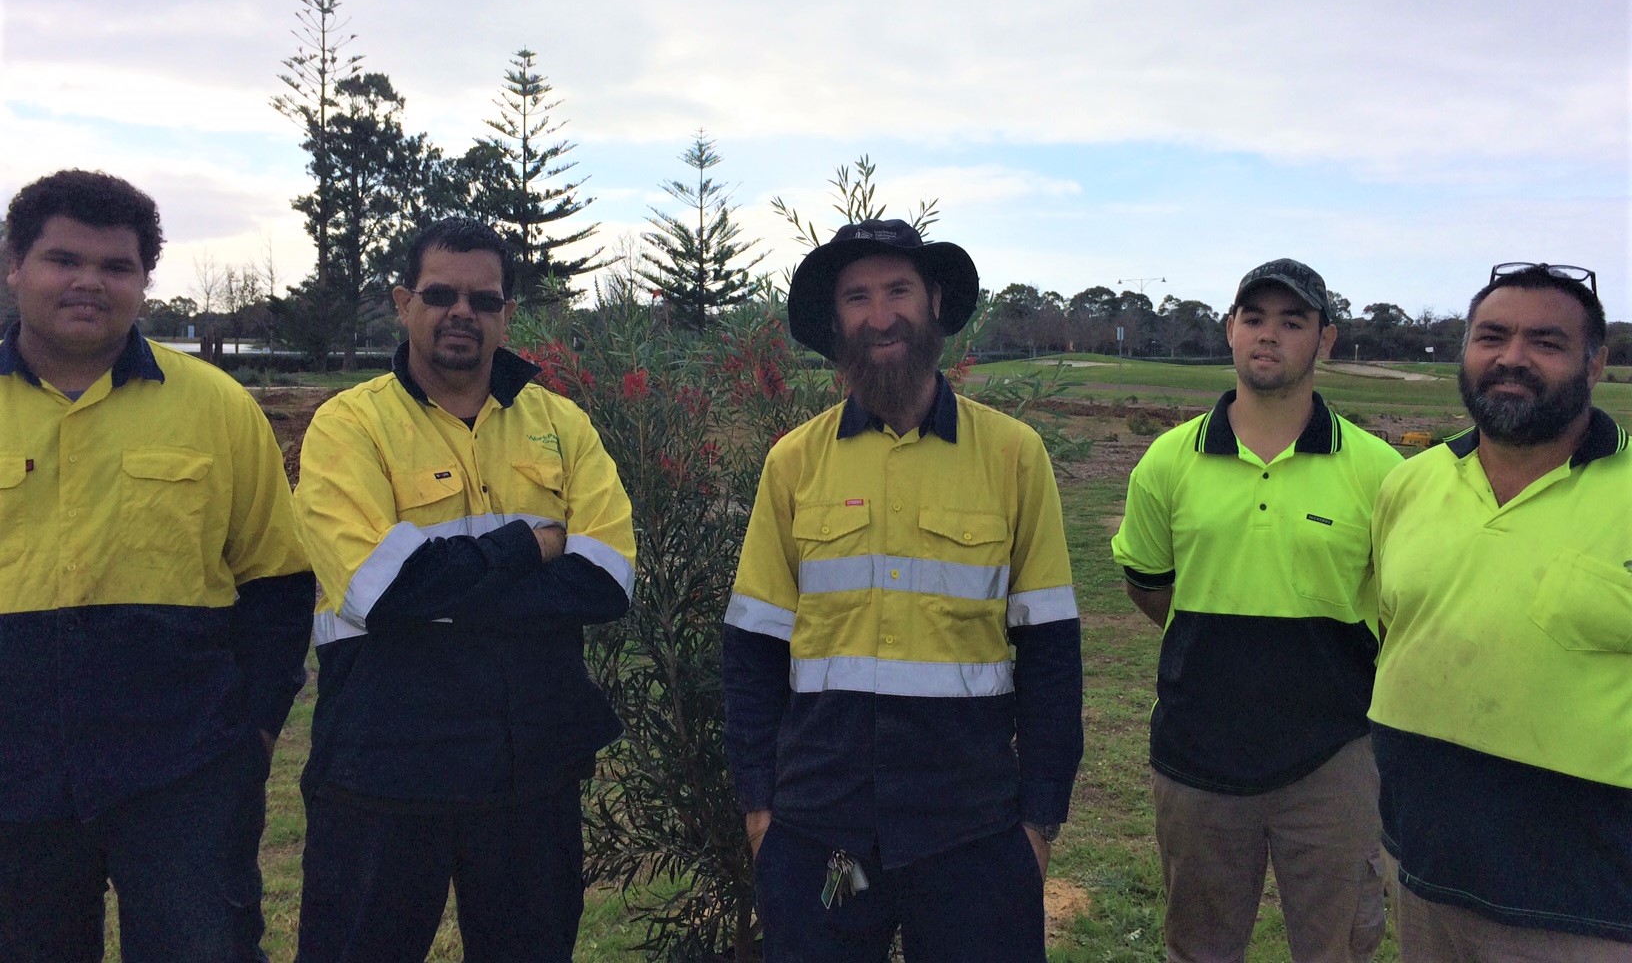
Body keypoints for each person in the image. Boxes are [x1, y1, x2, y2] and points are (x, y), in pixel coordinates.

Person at [723, 218, 1083, 963]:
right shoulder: (793, 464)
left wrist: (1037, 825)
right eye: (858, 297)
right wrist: (762, 810)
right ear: (837, 321)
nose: (880, 315)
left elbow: (1051, 653)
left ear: (934, 303)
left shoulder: (1015, 458)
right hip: (820, 830)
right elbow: (752, 649)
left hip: (973, 830)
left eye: (897, 291)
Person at [293, 217, 637, 963]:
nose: (462, 313)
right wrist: (529, 546)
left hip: (530, 766)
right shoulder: (349, 428)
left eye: (483, 300)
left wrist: (439, 594)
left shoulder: (562, 424)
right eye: (440, 294)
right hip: (385, 762)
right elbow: (378, 592)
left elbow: (606, 580)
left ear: (506, 313)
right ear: (402, 302)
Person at [0, 169, 314, 963]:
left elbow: (278, 583)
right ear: (14, 265)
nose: (88, 283)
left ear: (144, 281)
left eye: (116, 267)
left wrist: (255, 736)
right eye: (63, 259)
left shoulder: (216, 408)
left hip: (185, 773)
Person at [1112, 258, 1402, 963]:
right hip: (1198, 756)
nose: (1269, 336)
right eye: (1254, 318)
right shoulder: (1168, 461)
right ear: (1230, 330)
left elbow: (1397, 610)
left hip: (1335, 758)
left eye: (1293, 322)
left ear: (1325, 341)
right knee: (1199, 948)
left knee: (1336, 949)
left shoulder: (1381, 470)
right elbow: (1150, 586)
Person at [1370, 262, 1630, 959]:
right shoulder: (1408, 486)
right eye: (1492, 336)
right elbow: (1394, 632)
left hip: (1592, 906)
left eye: (1545, 342)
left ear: (1595, 362)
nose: (1511, 358)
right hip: (1425, 874)